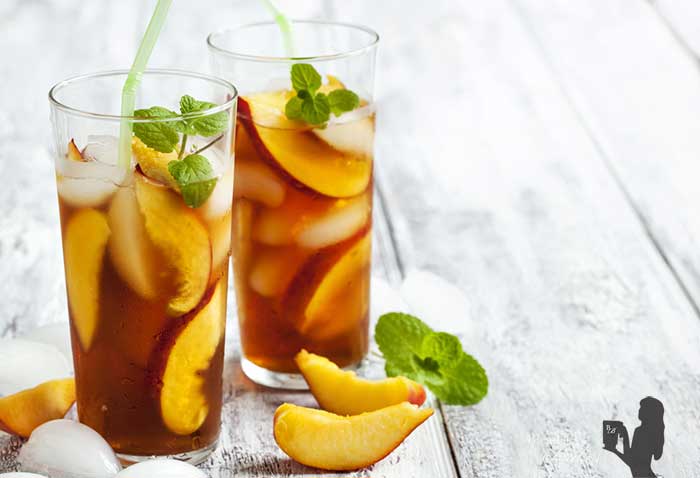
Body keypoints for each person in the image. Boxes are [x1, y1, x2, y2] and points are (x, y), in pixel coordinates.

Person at [604, 397, 665, 477]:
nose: (639, 410)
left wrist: (624, 437)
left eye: (643, 408)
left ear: (649, 413)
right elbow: (634, 461)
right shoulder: (650, 432)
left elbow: (633, 462)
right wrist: (615, 450)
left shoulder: (641, 432)